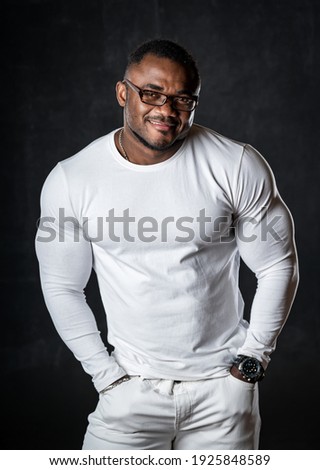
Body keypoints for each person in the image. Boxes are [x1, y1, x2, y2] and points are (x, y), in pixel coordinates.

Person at [35, 38, 299, 450]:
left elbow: (277, 265)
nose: (166, 110)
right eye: (151, 93)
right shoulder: (73, 179)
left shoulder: (236, 165)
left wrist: (252, 363)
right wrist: (105, 375)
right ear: (123, 93)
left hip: (222, 393)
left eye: (182, 100)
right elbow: (62, 286)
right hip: (130, 391)